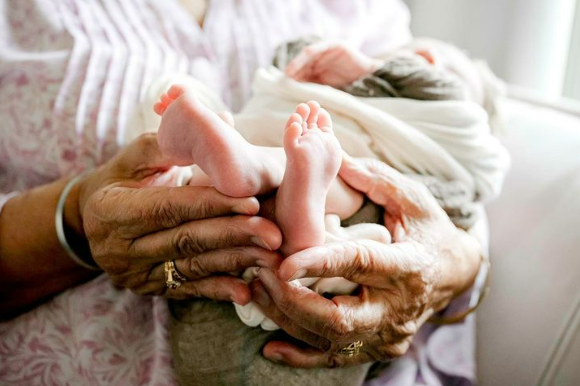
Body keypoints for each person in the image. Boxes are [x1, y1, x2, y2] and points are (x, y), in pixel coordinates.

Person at [0, 1, 491, 385]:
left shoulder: (365, 18)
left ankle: (245, 167)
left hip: (338, 206)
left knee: (353, 189)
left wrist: (453, 266)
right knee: (325, 188)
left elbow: (455, 196)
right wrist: (75, 223)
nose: (430, 58)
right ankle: (272, 183)